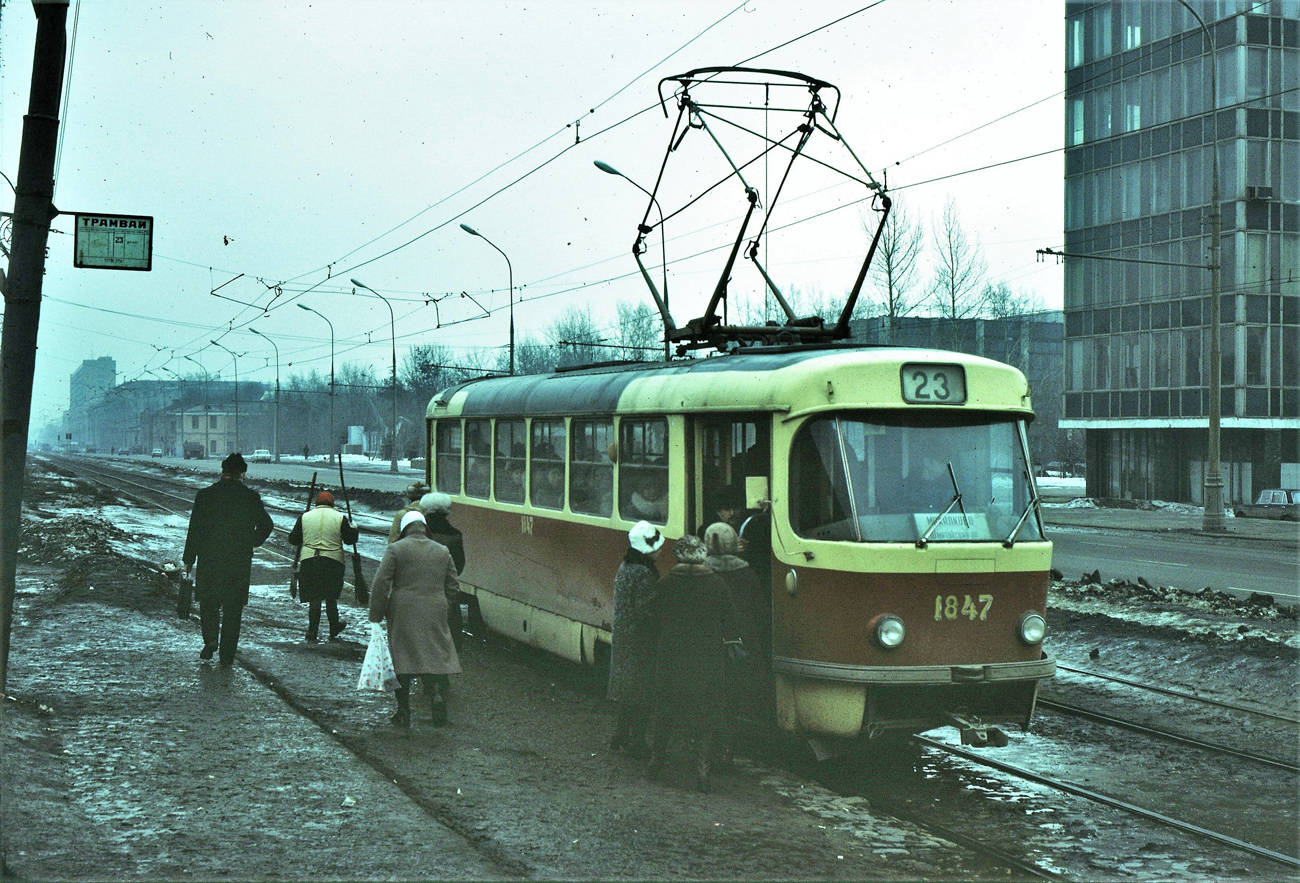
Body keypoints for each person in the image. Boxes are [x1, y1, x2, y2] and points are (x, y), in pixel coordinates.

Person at [645, 534, 739, 792]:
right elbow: (730, 620)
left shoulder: (666, 583)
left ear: (678, 556)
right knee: (705, 715)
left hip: (671, 658)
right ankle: (702, 770)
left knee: (666, 710)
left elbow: (650, 615)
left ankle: (656, 762)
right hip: (706, 659)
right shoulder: (717, 584)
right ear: (702, 556)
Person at [369, 511, 462, 728]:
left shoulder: (396, 549)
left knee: (403, 658)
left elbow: (381, 583)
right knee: (434, 655)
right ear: (424, 527)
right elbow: (453, 584)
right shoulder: (442, 551)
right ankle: (437, 696)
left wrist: (376, 614)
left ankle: (403, 711)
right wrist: (444, 605)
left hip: (404, 608)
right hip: (435, 608)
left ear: (405, 528)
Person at [182, 452, 274, 665]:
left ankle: (211, 639)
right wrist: (250, 541)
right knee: (233, 609)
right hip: (238, 561)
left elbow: (194, 528)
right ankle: (227, 656)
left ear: (222, 472)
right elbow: (267, 525)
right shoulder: (251, 497)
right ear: (242, 473)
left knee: (209, 602)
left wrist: (189, 558)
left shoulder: (205, 495)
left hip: (209, 558)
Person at [607, 521, 665, 758]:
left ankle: (620, 735)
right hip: (641, 639)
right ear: (647, 549)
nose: (661, 550)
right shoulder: (643, 572)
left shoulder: (627, 565)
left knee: (629, 692)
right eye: (657, 547)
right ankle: (637, 742)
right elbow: (647, 609)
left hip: (625, 636)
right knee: (642, 693)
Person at [704, 522, 771, 727]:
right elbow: (761, 610)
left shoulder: (703, 573)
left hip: (712, 636)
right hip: (744, 635)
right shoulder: (747, 573)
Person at [287, 489, 358, 643]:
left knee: (314, 597)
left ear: (316, 503)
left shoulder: (305, 517)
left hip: (309, 560)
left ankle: (312, 630)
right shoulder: (340, 518)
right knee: (330, 596)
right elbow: (349, 540)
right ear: (332, 504)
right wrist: (354, 529)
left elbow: (293, 539)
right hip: (333, 561)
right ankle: (334, 625)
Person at [420, 491, 467, 648]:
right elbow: (459, 566)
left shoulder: (418, 532)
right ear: (447, 510)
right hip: (443, 591)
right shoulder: (455, 535)